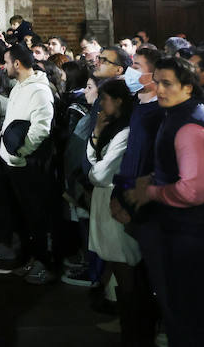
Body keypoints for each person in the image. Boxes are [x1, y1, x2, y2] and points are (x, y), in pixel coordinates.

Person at [123, 56, 204, 347]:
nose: (159, 89)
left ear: (188, 87)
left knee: (190, 314)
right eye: (157, 82)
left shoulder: (189, 127)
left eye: (167, 83)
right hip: (186, 232)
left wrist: (152, 192)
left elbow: (193, 191)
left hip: (192, 235)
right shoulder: (180, 115)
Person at [84, 79, 143, 344]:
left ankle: (133, 325)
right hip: (103, 197)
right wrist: (96, 133)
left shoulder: (127, 131)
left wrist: (95, 164)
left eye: (105, 99)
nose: (101, 105)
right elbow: (93, 159)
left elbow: (99, 173)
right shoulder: (110, 128)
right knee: (114, 259)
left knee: (123, 261)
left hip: (114, 197)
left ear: (118, 101)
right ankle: (125, 318)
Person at [0, 42, 57, 284]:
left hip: (27, 165)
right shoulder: (18, 87)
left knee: (36, 216)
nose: (4, 66)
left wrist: (21, 153)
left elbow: (40, 129)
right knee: (22, 215)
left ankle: (44, 263)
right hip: (12, 163)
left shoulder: (39, 91)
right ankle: (29, 258)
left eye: (6, 62)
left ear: (17, 64)